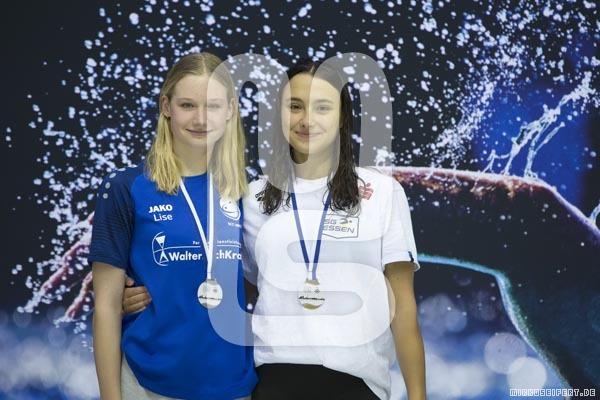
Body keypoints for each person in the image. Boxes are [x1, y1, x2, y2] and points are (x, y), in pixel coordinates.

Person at [124, 58, 426, 400]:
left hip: (358, 381)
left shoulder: (381, 193)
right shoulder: (250, 197)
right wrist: (140, 295)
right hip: (273, 379)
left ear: (342, 116)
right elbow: (223, 280)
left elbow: (404, 308)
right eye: (295, 106)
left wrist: (418, 395)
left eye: (322, 107)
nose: (306, 120)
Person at [89, 52, 257, 400]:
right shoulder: (126, 187)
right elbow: (105, 307)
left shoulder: (247, 192)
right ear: (166, 106)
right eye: (187, 105)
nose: (200, 118)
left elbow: (261, 282)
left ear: (230, 109)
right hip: (146, 386)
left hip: (234, 387)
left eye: (213, 106)